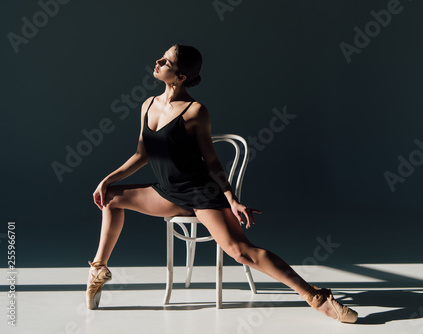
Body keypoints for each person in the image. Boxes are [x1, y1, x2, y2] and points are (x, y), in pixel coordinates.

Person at [86, 43, 358, 323]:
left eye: (166, 61)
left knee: (241, 252)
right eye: (161, 57)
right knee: (110, 196)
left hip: (200, 194)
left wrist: (231, 199)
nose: (158, 61)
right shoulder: (147, 105)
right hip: (167, 193)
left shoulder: (195, 112)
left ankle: (315, 297)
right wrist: (107, 179)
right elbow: (142, 154)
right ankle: (98, 270)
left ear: (181, 77)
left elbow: (212, 162)